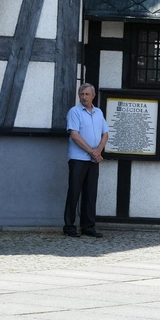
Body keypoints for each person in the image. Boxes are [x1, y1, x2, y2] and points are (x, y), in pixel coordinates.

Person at [63, 83, 109, 238]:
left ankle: (88, 227)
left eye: (87, 94)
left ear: (93, 96)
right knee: (74, 193)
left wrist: (98, 150)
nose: (84, 97)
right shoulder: (75, 112)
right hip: (78, 159)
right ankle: (69, 226)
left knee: (91, 194)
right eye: (81, 94)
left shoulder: (98, 112)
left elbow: (105, 134)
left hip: (93, 160)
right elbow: (74, 135)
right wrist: (93, 152)